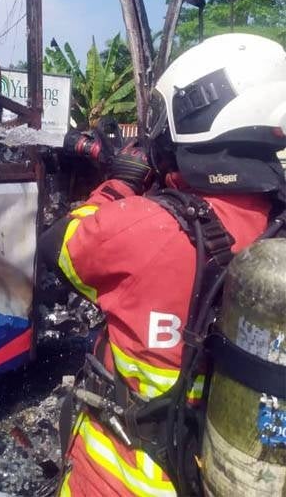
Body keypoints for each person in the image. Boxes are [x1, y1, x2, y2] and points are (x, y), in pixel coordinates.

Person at [38, 34, 286, 496]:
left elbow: (59, 246)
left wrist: (120, 183)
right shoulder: (276, 228)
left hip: (122, 480)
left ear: (194, 114)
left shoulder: (147, 227)